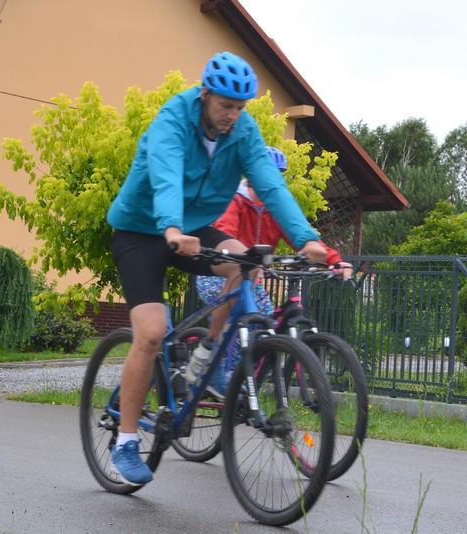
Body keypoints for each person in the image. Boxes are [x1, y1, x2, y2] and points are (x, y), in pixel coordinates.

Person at [106, 51, 328, 486]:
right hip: (141, 230)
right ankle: (126, 440)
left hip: (193, 227)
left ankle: (208, 352)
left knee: (244, 261)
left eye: (240, 107)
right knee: (151, 333)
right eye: (226, 105)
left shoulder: (242, 130)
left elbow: (270, 184)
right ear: (205, 94)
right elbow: (166, 175)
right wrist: (171, 226)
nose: (233, 115)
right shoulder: (173, 120)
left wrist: (306, 237)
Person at [194, 146, 351, 399]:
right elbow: (224, 232)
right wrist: (246, 257)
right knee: (240, 318)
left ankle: (244, 390)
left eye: (278, 173)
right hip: (217, 273)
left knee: (266, 326)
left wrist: (335, 261)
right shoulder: (235, 199)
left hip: (250, 279)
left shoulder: (276, 209)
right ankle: (214, 369)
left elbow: (303, 239)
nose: (273, 178)